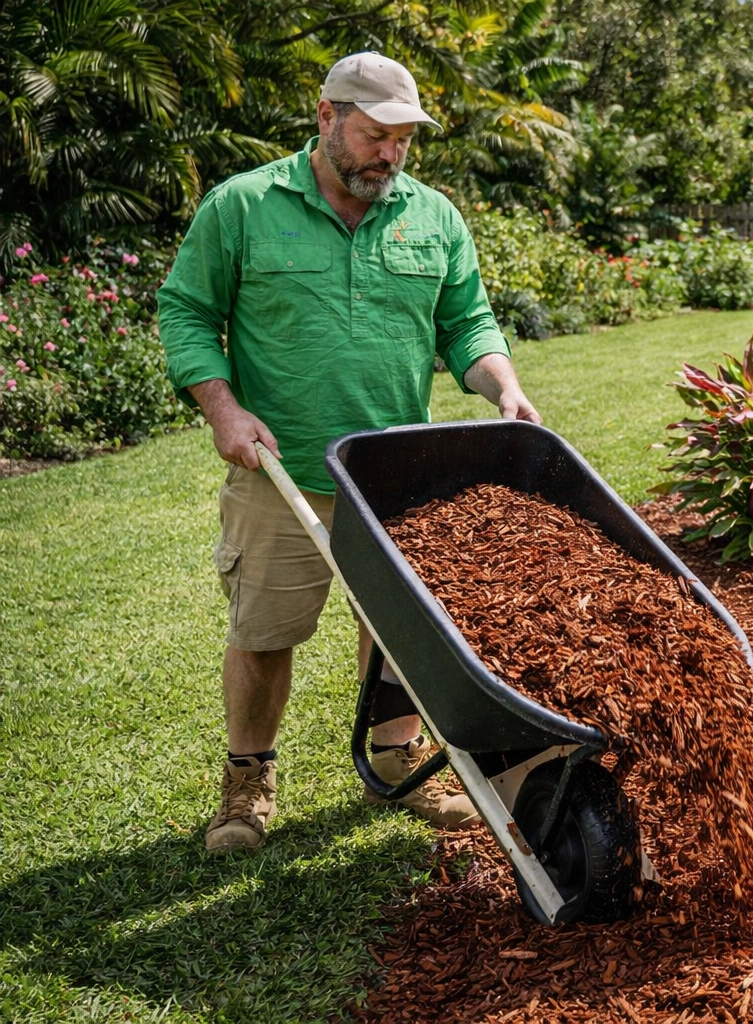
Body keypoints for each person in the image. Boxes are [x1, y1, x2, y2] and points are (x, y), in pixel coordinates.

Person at [158, 52, 540, 853]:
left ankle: (396, 755)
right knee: (264, 634)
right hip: (281, 468)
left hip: (395, 473)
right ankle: (246, 784)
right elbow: (187, 313)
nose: (390, 155)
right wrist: (223, 409)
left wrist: (500, 385)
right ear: (327, 117)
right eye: (375, 135)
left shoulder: (433, 217)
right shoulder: (244, 206)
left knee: (403, 632)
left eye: (404, 141)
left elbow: (466, 324)